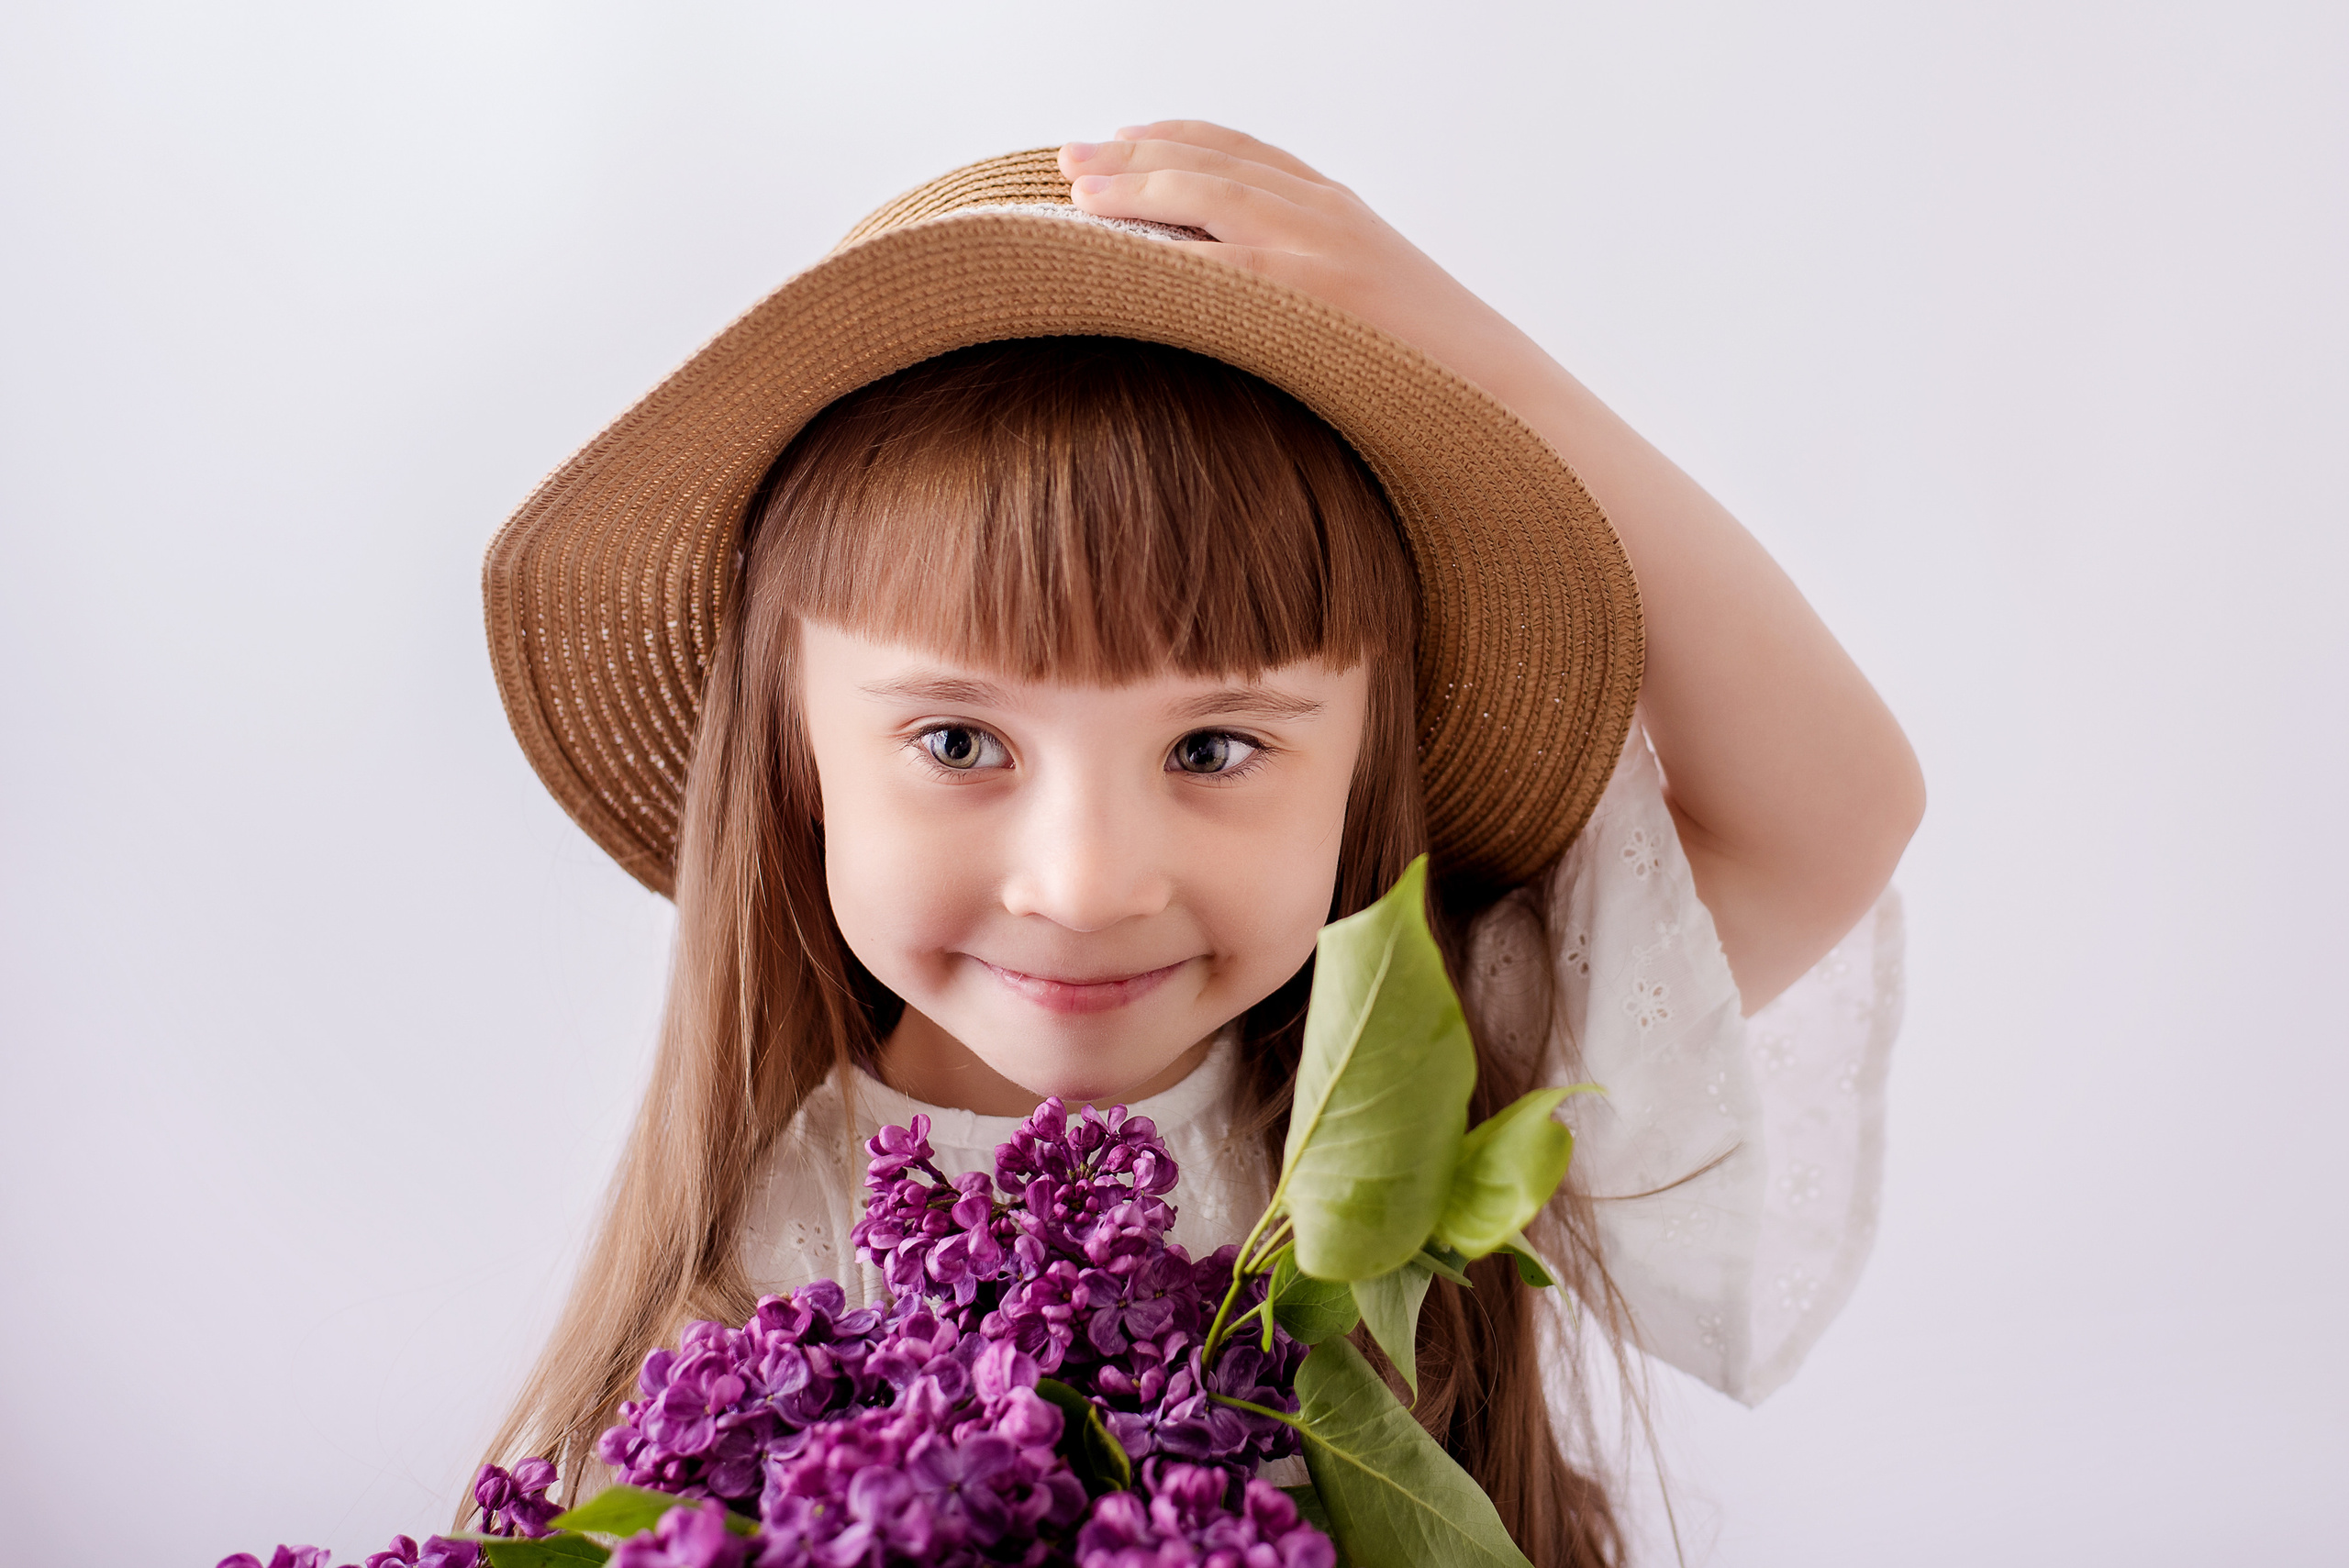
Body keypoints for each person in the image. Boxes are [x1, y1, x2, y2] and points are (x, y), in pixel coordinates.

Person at [477, 124, 1924, 1565]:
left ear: (1362, 765)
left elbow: (1831, 815)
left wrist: (1480, 363)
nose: (1089, 882)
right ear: (795, 754)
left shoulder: (1435, 1087)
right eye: (961, 743)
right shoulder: (748, 1319)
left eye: (1214, 747)